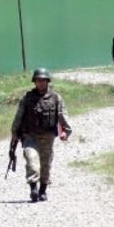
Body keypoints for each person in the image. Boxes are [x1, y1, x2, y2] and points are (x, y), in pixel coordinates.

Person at [10, 68, 72, 202]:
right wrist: (14, 132)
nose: (41, 82)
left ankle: (43, 190)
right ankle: (33, 188)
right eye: (38, 80)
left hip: (47, 136)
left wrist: (66, 131)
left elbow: (62, 115)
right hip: (29, 135)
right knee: (32, 160)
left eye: (43, 80)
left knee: (45, 164)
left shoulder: (56, 98)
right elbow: (19, 115)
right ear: (34, 82)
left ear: (47, 81)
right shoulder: (27, 98)